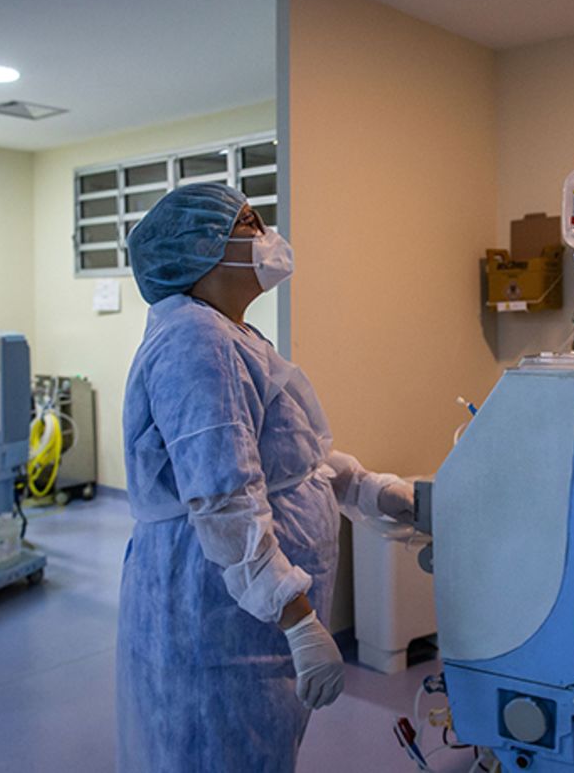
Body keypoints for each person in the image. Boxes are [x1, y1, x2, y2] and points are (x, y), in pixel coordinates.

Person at [117, 183, 415, 772]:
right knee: (218, 754)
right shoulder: (195, 340)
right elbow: (223, 498)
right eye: (249, 223)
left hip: (247, 617)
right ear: (201, 251)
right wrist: (298, 620)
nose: (266, 237)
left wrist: (367, 489)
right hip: (221, 616)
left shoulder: (230, 334)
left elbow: (284, 461)